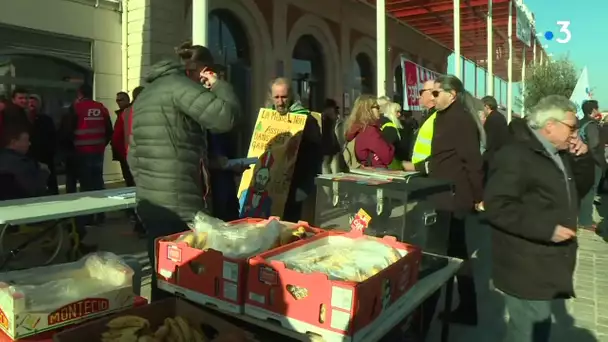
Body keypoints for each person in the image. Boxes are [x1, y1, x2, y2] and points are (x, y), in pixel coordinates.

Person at [128, 41, 239, 302]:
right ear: (202, 70)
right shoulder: (180, 87)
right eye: (207, 74)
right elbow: (226, 118)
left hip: (151, 200)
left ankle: (161, 325)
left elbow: (136, 151)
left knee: (161, 274)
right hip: (179, 204)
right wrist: (220, 85)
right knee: (187, 279)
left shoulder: (148, 93)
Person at [484, 95, 588, 342]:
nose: (575, 133)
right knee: (528, 332)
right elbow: (497, 206)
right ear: (550, 125)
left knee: (535, 329)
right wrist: (547, 229)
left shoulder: (558, 153)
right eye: (572, 127)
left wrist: (582, 157)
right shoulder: (515, 154)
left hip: (546, 262)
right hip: (524, 262)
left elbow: (578, 190)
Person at [405, 75, 485, 325]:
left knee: (434, 259)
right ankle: (468, 310)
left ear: (452, 94)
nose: (431, 97)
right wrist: (417, 166)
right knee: (456, 254)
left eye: (436, 93)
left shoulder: (460, 119)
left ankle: (421, 324)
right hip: (440, 193)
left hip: (450, 199)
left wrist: (479, 197)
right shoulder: (443, 117)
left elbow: (472, 162)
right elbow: (442, 158)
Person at [266, 78, 322, 222]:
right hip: (271, 182)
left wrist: (306, 184)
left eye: (284, 97)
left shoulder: (307, 119)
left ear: (291, 96)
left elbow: (315, 154)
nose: (280, 102)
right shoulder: (267, 118)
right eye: (276, 97)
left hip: (296, 183)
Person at [343, 94, 395, 168]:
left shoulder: (357, 128)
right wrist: (390, 145)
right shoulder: (369, 131)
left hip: (364, 173)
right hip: (378, 174)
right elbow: (387, 157)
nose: (379, 110)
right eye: (377, 107)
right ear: (367, 110)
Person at [577, 100, 606, 231]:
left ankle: (581, 217)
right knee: (590, 191)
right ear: (593, 110)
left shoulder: (579, 123)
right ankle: (585, 221)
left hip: (580, 160)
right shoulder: (592, 125)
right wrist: (602, 164)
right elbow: (594, 146)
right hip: (592, 162)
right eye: (597, 108)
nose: (598, 110)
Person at [0, 124, 49, 199]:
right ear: (14, 142)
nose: (29, 144)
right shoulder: (24, 164)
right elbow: (34, 191)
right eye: (26, 140)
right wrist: (43, 172)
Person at [112, 86, 145, 186]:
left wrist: (124, 154)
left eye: (121, 100)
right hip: (142, 154)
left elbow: (116, 138)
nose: (118, 102)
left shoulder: (126, 113)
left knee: (131, 184)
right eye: (117, 100)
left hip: (130, 154)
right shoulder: (151, 111)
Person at [26, 94, 59, 195]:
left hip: (45, 158)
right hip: (28, 158)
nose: (32, 103)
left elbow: (53, 138)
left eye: (34, 101)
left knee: (50, 185)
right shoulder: (22, 120)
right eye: (29, 101)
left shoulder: (46, 120)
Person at [481, 95, 509, 173]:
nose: (482, 110)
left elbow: (488, 142)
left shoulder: (491, 119)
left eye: (482, 107)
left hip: (492, 158)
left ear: (486, 106)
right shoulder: (500, 117)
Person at [411, 80, 437, 163]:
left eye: (421, 92)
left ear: (432, 93)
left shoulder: (439, 116)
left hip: (429, 171)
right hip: (421, 168)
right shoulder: (427, 115)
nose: (419, 96)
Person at [379, 101, 411, 168]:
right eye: (397, 112)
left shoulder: (391, 125)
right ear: (391, 112)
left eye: (400, 112)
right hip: (393, 163)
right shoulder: (390, 128)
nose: (399, 114)